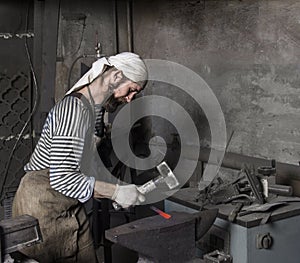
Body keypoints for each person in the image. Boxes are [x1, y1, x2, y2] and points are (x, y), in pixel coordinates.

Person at [12, 52, 148, 263]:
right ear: (116, 76)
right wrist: (116, 192)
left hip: (68, 205)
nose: (130, 99)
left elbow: (78, 169)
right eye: (131, 90)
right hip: (45, 206)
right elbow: (63, 178)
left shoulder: (92, 109)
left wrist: (115, 191)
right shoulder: (74, 110)